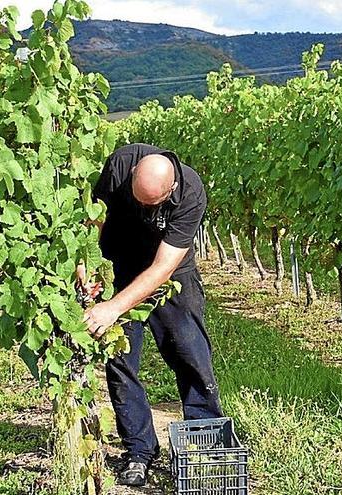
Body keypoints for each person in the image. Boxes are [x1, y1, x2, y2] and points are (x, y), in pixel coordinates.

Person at [78, 143, 223, 486]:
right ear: (132, 176)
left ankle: (204, 440)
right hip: (118, 265)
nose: (143, 209)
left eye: (152, 204)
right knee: (121, 358)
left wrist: (113, 307)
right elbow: (94, 219)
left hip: (169, 273)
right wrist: (86, 265)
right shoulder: (120, 165)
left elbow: (162, 268)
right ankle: (139, 451)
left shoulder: (191, 192)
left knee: (189, 352)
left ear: (170, 189)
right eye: (137, 199)